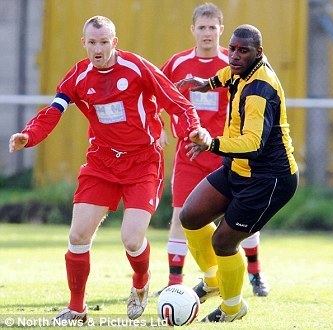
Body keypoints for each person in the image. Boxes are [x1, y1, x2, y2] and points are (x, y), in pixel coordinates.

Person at [8, 15, 207, 323]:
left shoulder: (136, 67)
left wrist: (192, 129)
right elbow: (53, 111)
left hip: (142, 161)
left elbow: (177, 101)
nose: (98, 49)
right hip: (102, 162)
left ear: (114, 42)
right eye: (92, 43)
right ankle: (77, 309)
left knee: (131, 239)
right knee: (77, 235)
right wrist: (29, 135)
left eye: (103, 42)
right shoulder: (78, 76)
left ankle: (140, 282)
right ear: (84, 44)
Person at [176, 24, 299, 322]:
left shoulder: (260, 89)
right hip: (239, 169)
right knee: (190, 216)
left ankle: (233, 308)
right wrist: (205, 83)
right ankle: (214, 281)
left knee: (223, 242)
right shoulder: (238, 68)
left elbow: (253, 144)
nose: (234, 56)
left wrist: (211, 143)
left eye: (243, 51)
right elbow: (225, 75)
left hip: (269, 180)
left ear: (259, 53)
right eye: (231, 48)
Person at [159, 2, 269, 297]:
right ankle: (174, 284)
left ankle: (256, 273)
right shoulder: (177, 63)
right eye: (201, 27)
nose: (207, 33)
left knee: (238, 219)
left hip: (227, 154)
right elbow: (156, 96)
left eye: (212, 28)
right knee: (181, 215)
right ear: (192, 29)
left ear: (221, 30)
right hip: (189, 154)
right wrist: (158, 129)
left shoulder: (233, 64)